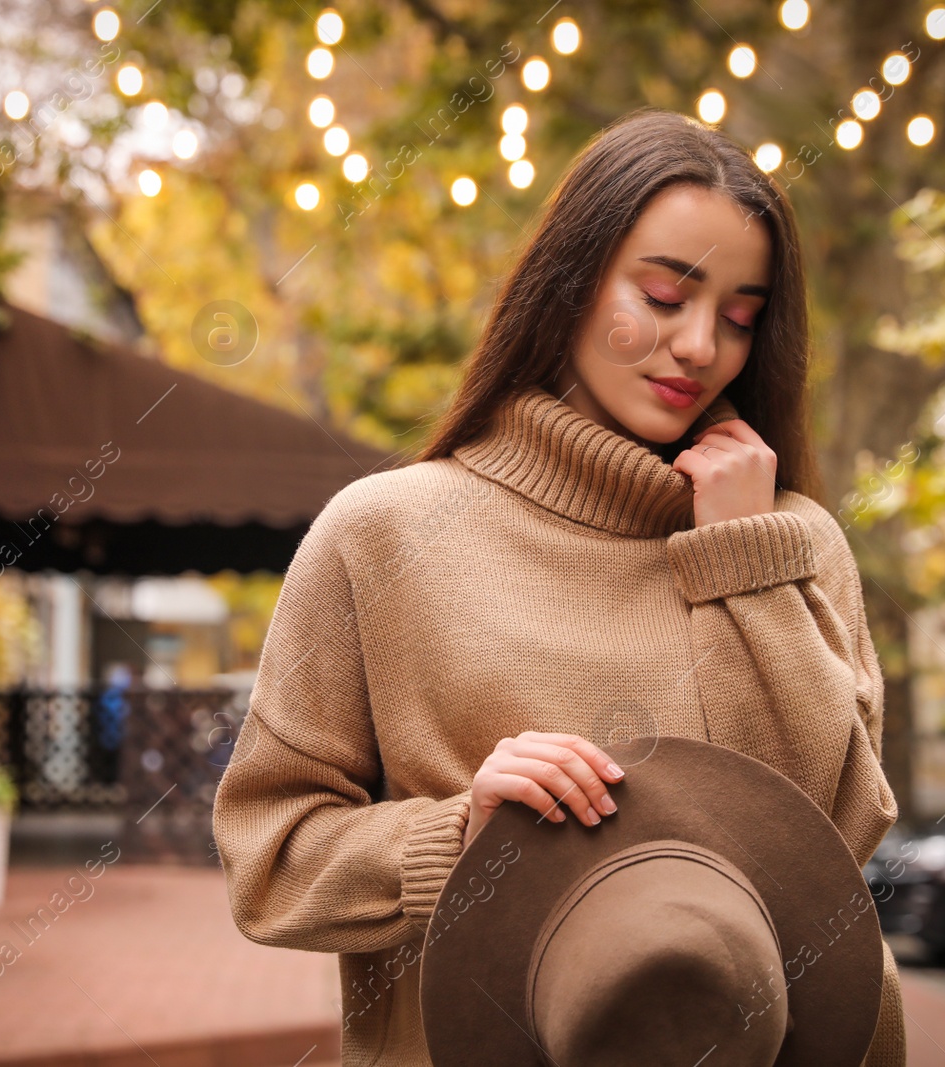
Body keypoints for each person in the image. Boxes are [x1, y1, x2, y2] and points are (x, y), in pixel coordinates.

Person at [211, 107, 905, 1066]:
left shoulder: (790, 541)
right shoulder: (382, 533)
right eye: (665, 297)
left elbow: (831, 835)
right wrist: (459, 839)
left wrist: (743, 556)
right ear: (571, 283)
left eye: (740, 319)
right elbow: (270, 861)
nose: (702, 345)